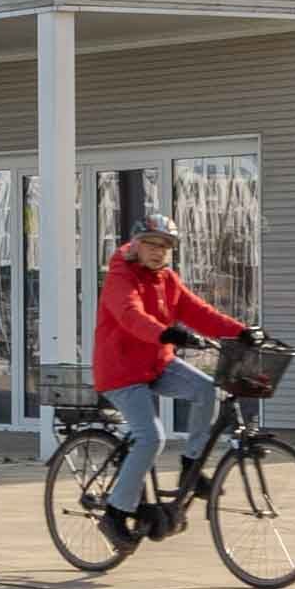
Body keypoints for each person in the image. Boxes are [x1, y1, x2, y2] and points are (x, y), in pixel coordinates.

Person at [92, 225, 254, 530]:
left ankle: (191, 465)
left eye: (164, 247)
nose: (158, 251)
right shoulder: (120, 277)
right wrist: (166, 333)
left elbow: (200, 313)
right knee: (151, 437)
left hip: (156, 364)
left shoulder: (167, 279)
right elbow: (130, 315)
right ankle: (115, 513)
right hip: (121, 371)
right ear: (136, 245)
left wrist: (242, 332)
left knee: (206, 389)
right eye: (151, 244)